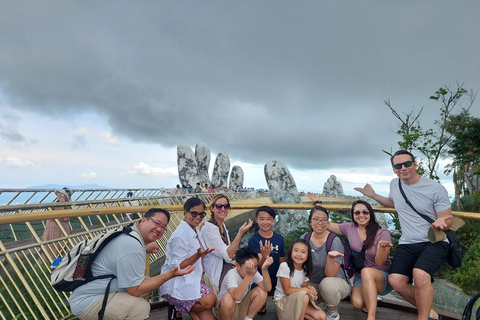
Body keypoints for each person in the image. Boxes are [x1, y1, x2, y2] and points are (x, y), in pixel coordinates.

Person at [354, 150, 452, 320]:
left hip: (434, 240)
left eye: (407, 163)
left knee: (420, 274)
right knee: (395, 280)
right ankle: (429, 312)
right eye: (398, 166)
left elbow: (447, 218)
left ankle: (424, 318)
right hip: (408, 242)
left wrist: (442, 222)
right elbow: (394, 203)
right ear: (394, 169)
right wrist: (374, 196)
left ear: (415, 164)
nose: (403, 168)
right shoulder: (395, 184)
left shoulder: (435, 188)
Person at [69, 208, 194, 320]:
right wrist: (170, 274)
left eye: (163, 227)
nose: (159, 229)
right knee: (140, 308)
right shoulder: (131, 246)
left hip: (94, 292)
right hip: (88, 301)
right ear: (143, 220)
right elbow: (135, 290)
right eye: (156, 223)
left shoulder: (130, 234)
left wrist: (144, 248)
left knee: (147, 282)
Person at [308, 194, 392, 320]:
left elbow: (380, 262)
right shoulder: (350, 228)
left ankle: (371, 316)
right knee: (357, 303)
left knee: (367, 271)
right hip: (360, 277)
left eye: (365, 212)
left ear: (371, 214)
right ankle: (370, 297)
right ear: (353, 215)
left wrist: (381, 248)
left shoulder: (383, 233)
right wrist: (318, 205)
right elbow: (325, 224)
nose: (361, 215)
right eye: (357, 212)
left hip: (381, 276)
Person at [160, 198, 217, 320]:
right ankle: (179, 306)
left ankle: (183, 309)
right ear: (185, 212)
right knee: (210, 299)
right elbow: (178, 267)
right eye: (194, 213)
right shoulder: (180, 236)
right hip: (178, 282)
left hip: (195, 279)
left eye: (202, 214)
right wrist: (198, 255)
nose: (198, 217)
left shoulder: (195, 229)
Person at [300, 205, 351, 320]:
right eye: (316, 219)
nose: (320, 223)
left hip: (336, 284)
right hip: (312, 284)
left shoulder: (334, 241)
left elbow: (331, 274)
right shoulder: (304, 239)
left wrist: (330, 258)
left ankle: (332, 311)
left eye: (324, 220)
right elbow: (297, 266)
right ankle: (317, 311)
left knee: (327, 284)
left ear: (328, 223)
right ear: (310, 221)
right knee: (298, 297)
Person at [200, 194, 253, 292]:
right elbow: (227, 254)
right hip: (215, 273)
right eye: (219, 206)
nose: (223, 209)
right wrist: (240, 233)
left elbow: (228, 251)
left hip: (223, 267)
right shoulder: (209, 229)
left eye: (226, 206)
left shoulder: (222, 225)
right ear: (212, 208)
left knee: (251, 266)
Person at [274, 239, 326, 320]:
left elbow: (303, 287)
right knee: (304, 296)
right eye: (296, 250)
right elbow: (287, 291)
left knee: (322, 317)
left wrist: (311, 290)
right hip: (283, 303)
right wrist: (306, 290)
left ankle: (295, 315)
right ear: (291, 252)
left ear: (307, 255)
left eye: (303, 252)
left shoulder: (305, 269)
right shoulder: (284, 266)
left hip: (298, 300)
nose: (299, 254)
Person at [215, 247, 273, 320]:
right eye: (249, 267)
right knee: (228, 298)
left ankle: (248, 318)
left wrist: (264, 270)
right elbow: (236, 297)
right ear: (237, 266)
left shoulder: (253, 272)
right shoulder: (232, 274)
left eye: (255, 267)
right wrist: (249, 276)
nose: (252, 270)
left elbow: (267, 288)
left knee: (262, 291)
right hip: (226, 310)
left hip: (241, 305)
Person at [248, 205, 286, 315]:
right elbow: (259, 265)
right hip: (259, 276)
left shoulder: (279, 239)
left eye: (269, 219)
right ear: (257, 220)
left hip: (275, 274)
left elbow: (282, 260)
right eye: (262, 219)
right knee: (260, 299)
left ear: (273, 220)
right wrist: (265, 256)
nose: (265, 222)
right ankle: (260, 303)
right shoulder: (253, 240)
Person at [42, 187, 73, 257]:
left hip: (61, 228)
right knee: (49, 246)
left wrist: (63, 205)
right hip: (52, 228)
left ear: (66, 197)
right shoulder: (54, 204)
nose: (58, 195)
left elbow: (66, 218)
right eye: (58, 194)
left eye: (61, 194)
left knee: (61, 246)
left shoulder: (68, 206)